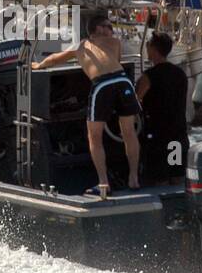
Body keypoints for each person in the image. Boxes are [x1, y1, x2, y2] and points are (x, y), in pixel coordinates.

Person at [32, 14, 141, 193]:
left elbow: (55, 59)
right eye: (108, 26)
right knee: (129, 132)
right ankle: (134, 178)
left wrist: (38, 65)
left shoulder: (81, 45)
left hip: (103, 84)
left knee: (94, 137)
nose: (110, 30)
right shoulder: (115, 43)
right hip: (123, 81)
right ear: (98, 29)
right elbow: (116, 61)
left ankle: (103, 184)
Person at [136, 32, 189, 185]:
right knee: (177, 177)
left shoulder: (148, 77)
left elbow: (134, 101)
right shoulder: (180, 74)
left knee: (158, 180)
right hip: (177, 137)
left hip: (158, 139)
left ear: (153, 49)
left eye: (147, 45)